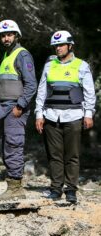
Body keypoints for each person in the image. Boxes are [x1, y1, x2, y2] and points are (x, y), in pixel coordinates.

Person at [35, 31, 96, 204]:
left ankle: (71, 191)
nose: (58, 48)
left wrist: (88, 114)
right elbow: (41, 91)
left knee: (72, 156)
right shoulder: (49, 65)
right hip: (51, 116)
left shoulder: (81, 65)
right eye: (56, 46)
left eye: (61, 45)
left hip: (74, 116)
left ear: (70, 45)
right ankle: (55, 189)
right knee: (54, 155)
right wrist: (39, 114)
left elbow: (89, 92)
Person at [0, 20, 37, 201]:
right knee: (5, 146)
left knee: (13, 146)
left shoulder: (22, 55)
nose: (6, 38)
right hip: (5, 108)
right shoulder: (6, 55)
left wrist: (20, 106)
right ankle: (12, 186)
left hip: (14, 108)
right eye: (2, 35)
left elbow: (31, 84)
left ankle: (16, 188)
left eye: (9, 34)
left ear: (16, 35)